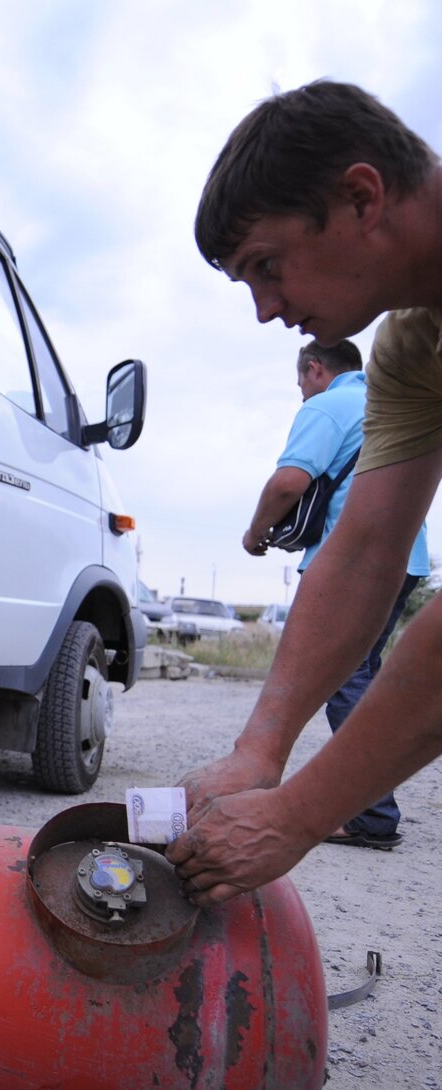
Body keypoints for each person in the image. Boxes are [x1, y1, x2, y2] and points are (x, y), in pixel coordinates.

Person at [166, 79, 442, 906]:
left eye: (268, 267)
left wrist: (298, 814)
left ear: (361, 196)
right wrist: (261, 751)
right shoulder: (410, 347)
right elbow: (360, 553)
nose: (265, 310)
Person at [242, 337, 428, 848]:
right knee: (363, 675)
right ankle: (371, 803)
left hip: (354, 563)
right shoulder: (392, 399)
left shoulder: (329, 405)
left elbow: (289, 483)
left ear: (315, 369)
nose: (301, 393)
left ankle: (372, 815)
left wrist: (256, 532)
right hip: (407, 558)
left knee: (341, 678)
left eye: (301, 381)